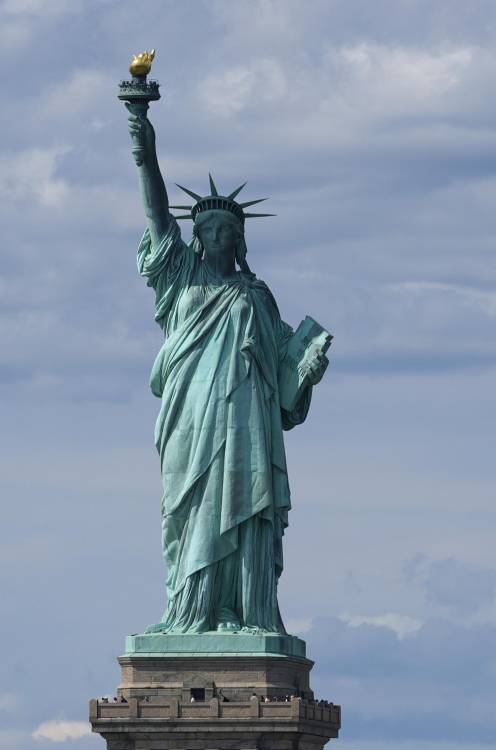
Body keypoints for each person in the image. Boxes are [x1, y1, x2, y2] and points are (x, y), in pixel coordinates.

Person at [125, 101, 328, 636]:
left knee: (246, 507)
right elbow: (154, 211)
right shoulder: (181, 280)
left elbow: (285, 377)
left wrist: (306, 369)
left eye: (225, 229)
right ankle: (191, 613)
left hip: (248, 422)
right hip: (192, 416)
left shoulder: (257, 295)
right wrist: (144, 145)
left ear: (239, 239)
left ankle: (244, 611)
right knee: (190, 509)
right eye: (207, 227)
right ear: (195, 236)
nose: (216, 235)